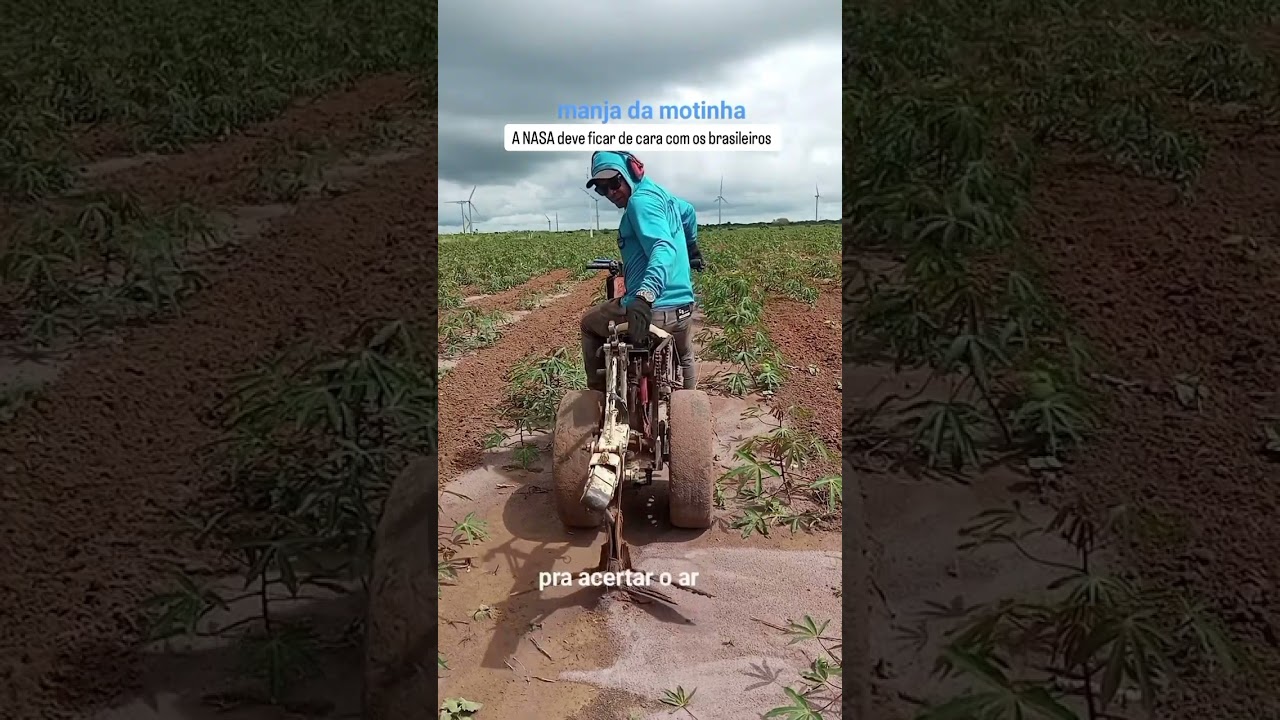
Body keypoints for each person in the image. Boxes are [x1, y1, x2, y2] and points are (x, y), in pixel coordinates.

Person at [581, 150, 700, 392]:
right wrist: (691, 246)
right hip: (682, 309)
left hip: (653, 309)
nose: (610, 193)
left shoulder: (639, 202)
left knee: (588, 324)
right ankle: (689, 398)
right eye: (602, 189)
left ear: (632, 172)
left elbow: (662, 247)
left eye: (614, 182)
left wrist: (645, 296)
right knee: (685, 354)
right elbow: (688, 211)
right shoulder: (663, 196)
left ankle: (597, 395)